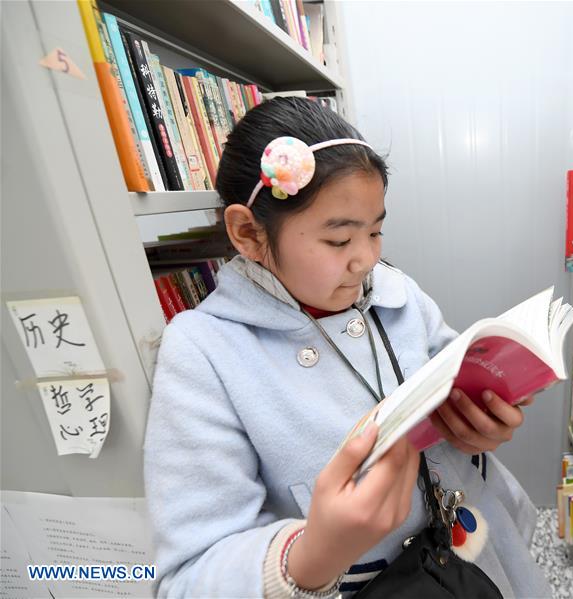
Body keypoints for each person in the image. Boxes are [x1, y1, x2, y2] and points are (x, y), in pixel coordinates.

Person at [143, 97, 551, 598]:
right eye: (339, 241)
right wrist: (310, 558)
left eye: (375, 231)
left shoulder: (398, 292)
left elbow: (451, 378)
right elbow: (186, 578)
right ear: (247, 233)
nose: (366, 259)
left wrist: (482, 419)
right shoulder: (202, 352)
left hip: (477, 550)